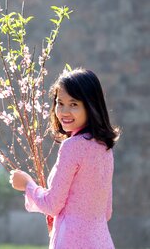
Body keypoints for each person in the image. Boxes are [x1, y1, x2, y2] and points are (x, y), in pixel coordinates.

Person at [9, 68, 120, 249]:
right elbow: (106, 211)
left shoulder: (72, 146)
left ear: (91, 105)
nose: (64, 111)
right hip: (102, 241)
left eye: (74, 104)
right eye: (60, 103)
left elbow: (52, 204)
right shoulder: (104, 147)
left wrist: (27, 184)